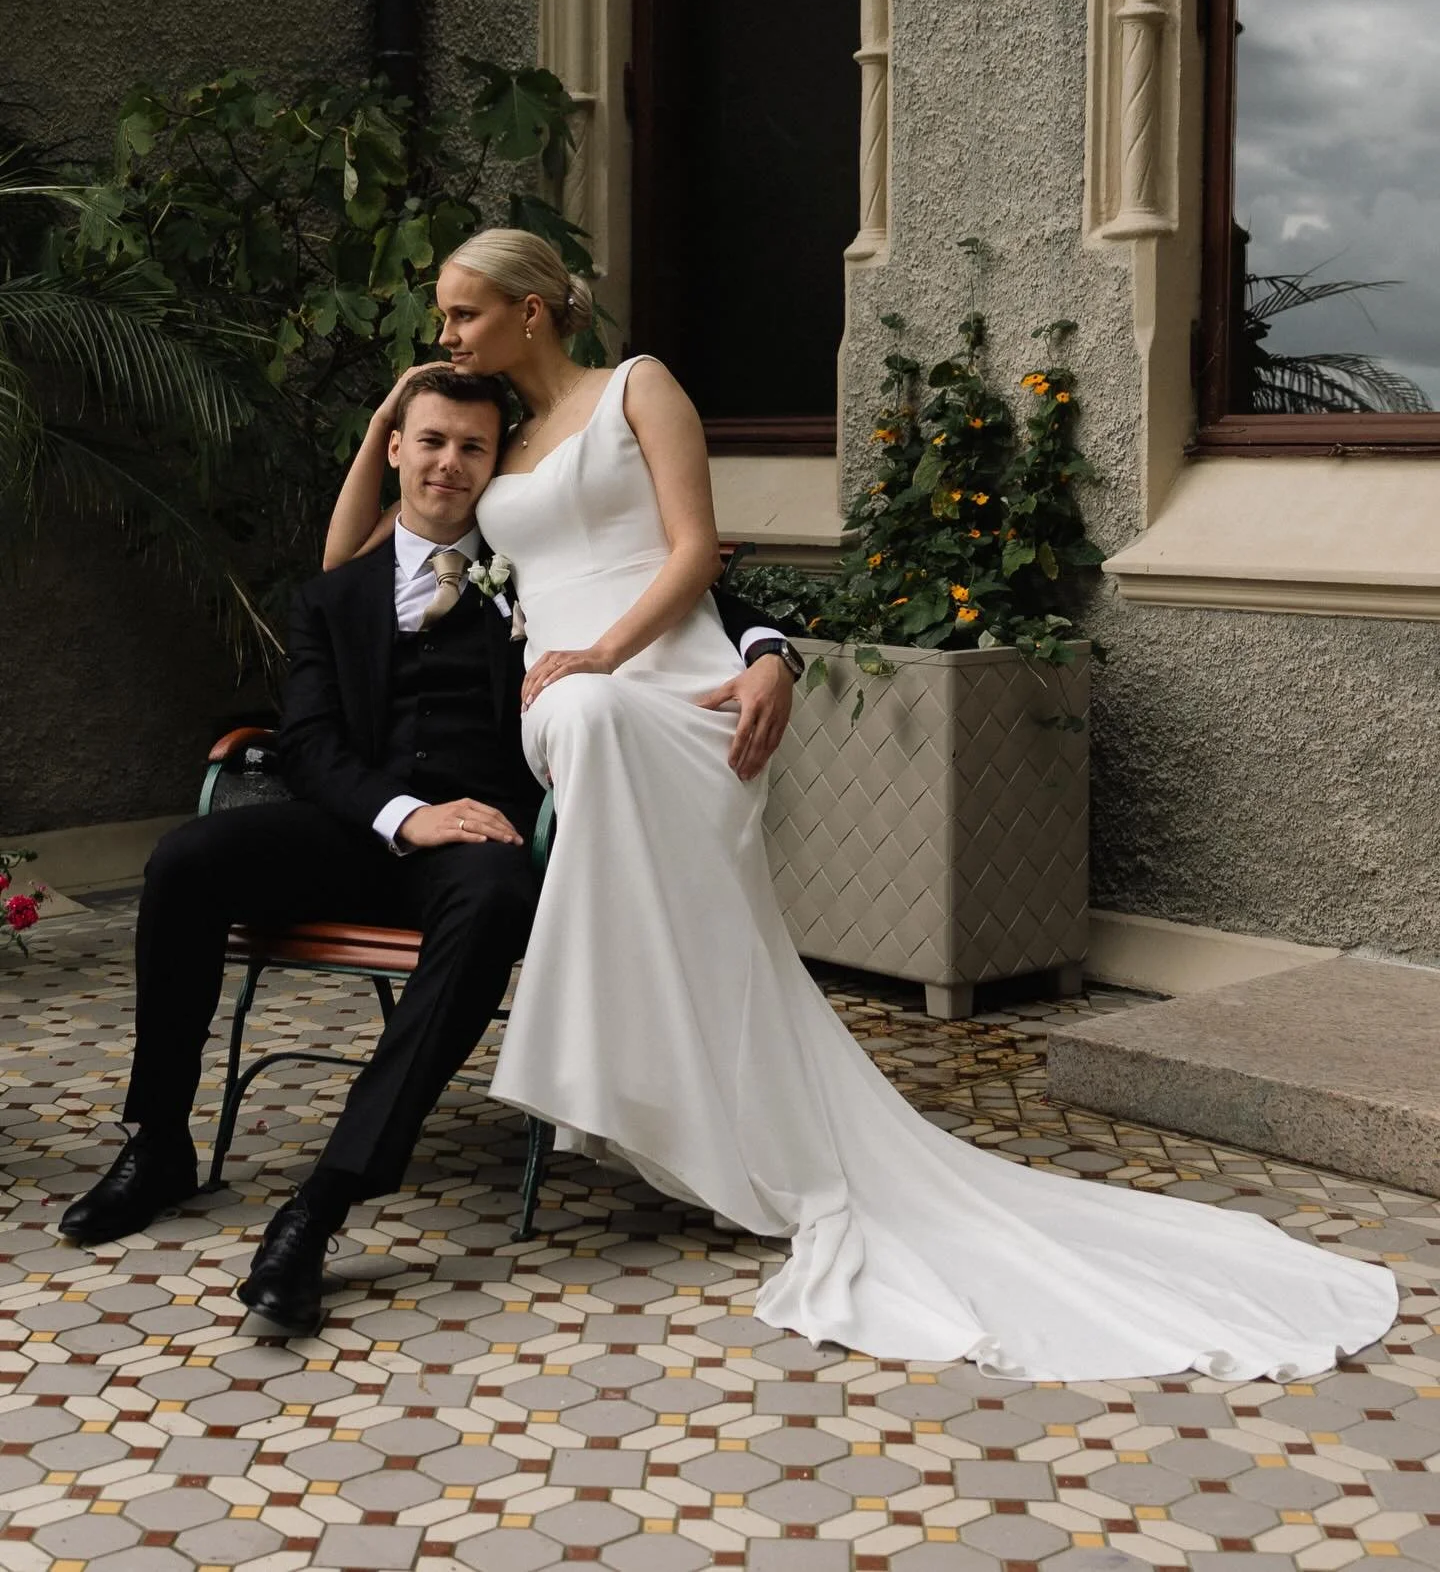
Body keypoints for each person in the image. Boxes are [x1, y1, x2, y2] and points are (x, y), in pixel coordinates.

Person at [329, 226, 1398, 1382]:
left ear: (531, 311)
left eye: (461, 315)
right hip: (569, 700)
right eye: (442, 324)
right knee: (587, 721)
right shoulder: (489, 437)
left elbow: (696, 554)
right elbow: (348, 568)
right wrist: (393, 411)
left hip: (671, 673)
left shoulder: (640, 388)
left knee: (610, 717)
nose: (446, 337)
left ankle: (646, 1080)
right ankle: (623, 1071)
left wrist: (647, 649)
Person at [58, 366, 796, 1333]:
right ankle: (157, 1144)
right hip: (357, 829)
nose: (450, 463)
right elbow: (312, 746)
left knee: (495, 895)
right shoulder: (333, 597)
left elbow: (702, 597)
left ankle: (321, 1205)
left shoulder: (536, 571)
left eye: (474, 449)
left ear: (495, 469)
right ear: (396, 448)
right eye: (433, 441)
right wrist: (405, 813)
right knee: (186, 861)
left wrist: (770, 650)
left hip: (481, 842)